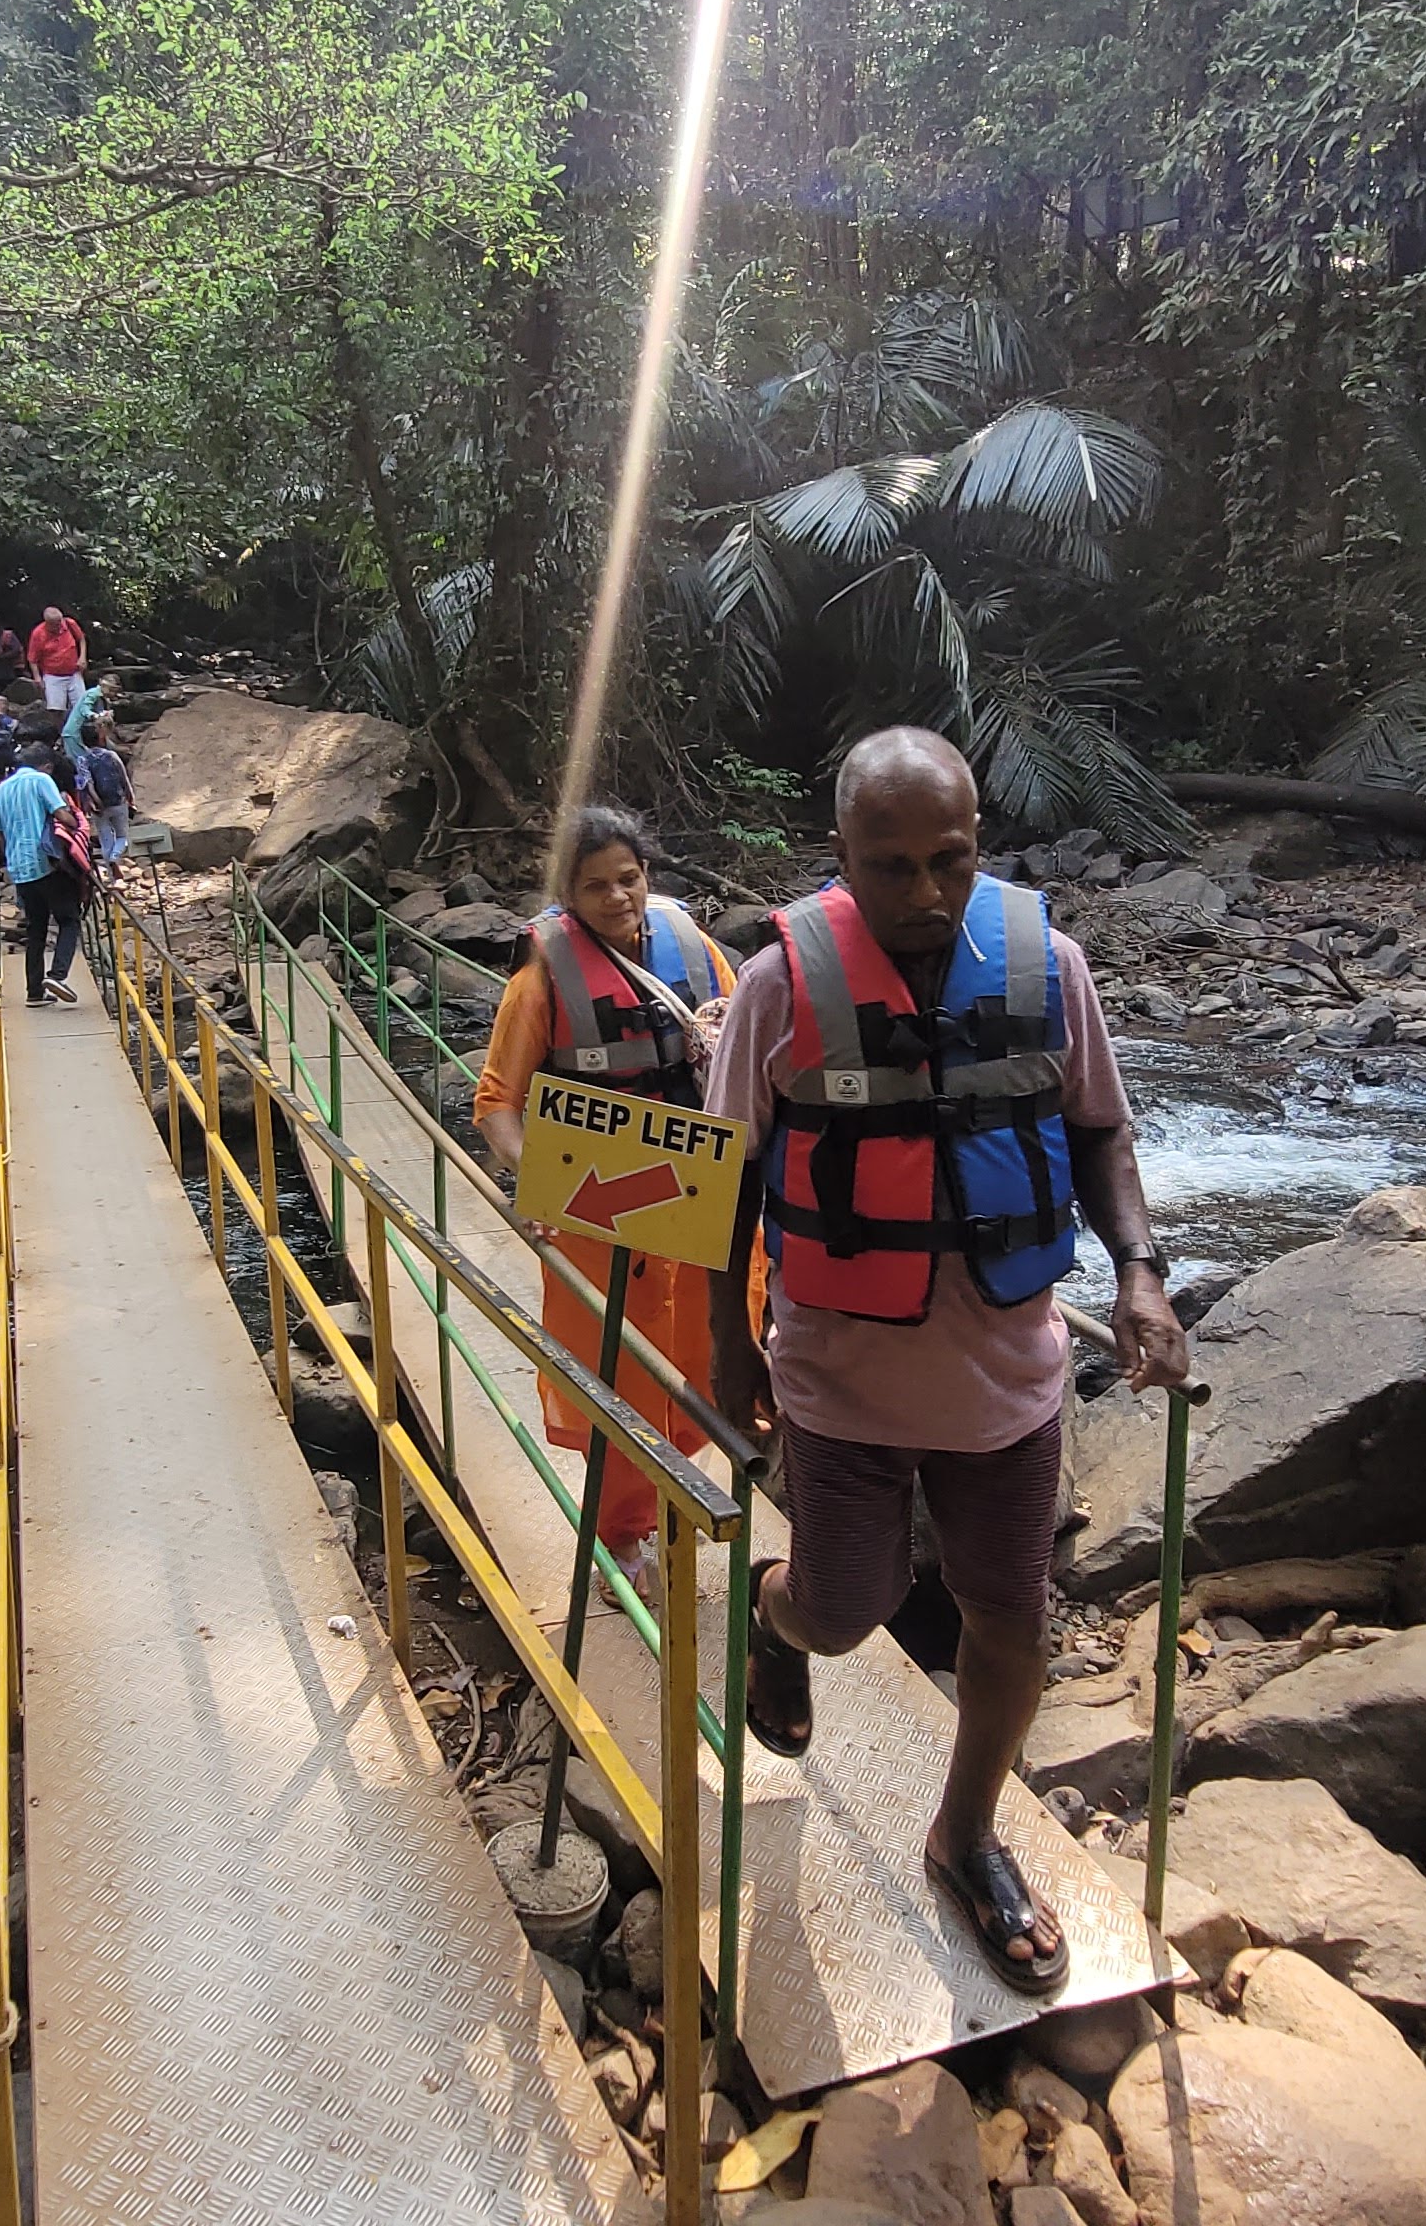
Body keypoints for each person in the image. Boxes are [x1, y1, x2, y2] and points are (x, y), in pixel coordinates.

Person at [704, 727, 1188, 1996]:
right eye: (890, 867)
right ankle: (774, 1615)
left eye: (950, 862)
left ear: (979, 847)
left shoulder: (1050, 968)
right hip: (838, 1381)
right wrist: (721, 1341)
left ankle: (966, 1837)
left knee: (1011, 1619)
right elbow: (721, 1186)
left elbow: (1099, 1134)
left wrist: (1139, 1274)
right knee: (846, 1604)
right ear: (842, 860)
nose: (923, 895)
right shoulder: (776, 987)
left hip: (1010, 1379)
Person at [474, 807, 741, 1570]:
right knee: (616, 1365)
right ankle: (621, 1536)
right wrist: (534, 1185)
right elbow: (497, 1101)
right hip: (601, 1200)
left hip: (695, 1190)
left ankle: (673, 1494)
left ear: (648, 875)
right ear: (567, 893)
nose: (617, 897)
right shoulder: (541, 978)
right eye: (596, 887)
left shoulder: (699, 954)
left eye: (629, 879)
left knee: (703, 1353)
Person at [0, 741, 86, 1005]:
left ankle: (34, 992)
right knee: (69, 920)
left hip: (19, 869)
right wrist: (78, 825)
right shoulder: (41, 780)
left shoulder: (1, 789)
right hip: (47, 863)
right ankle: (57, 975)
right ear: (46, 766)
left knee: (36, 929)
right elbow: (62, 815)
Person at [75, 718, 135, 867]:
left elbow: (86, 784)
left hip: (98, 807)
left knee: (105, 840)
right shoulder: (111, 755)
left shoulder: (82, 760)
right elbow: (124, 777)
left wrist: (93, 801)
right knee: (122, 836)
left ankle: (112, 875)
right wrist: (130, 797)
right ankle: (115, 857)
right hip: (118, 801)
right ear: (101, 738)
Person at [26, 606, 87, 714]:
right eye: (55, 624)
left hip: (74, 672)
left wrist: (82, 657)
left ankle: (77, 728)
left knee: (81, 705)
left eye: (60, 621)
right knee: (56, 709)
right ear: (47, 623)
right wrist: (37, 677)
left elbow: (81, 639)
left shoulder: (69, 624)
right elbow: (32, 658)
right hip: (52, 674)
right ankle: (61, 730)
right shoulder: (38, 633)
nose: (59, 625)